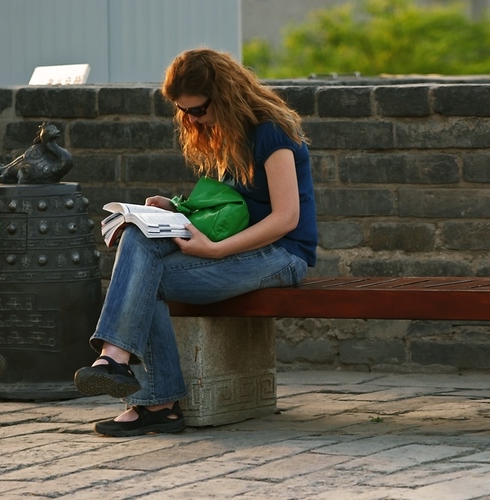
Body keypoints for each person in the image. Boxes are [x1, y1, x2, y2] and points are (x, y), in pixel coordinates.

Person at [73, 48, 317, 437]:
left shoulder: (271, 130)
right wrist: (174, 208)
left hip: (281, 255)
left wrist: (215, 250)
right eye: (183, 111)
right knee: (138, 236)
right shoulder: (225, 132)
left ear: (225, 95)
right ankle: (127, 372)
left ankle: (151, 395)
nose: (191, 119)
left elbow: (287, 218)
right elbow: (227, 206)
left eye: (198, 110)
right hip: (239, 247)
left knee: (143, 279)